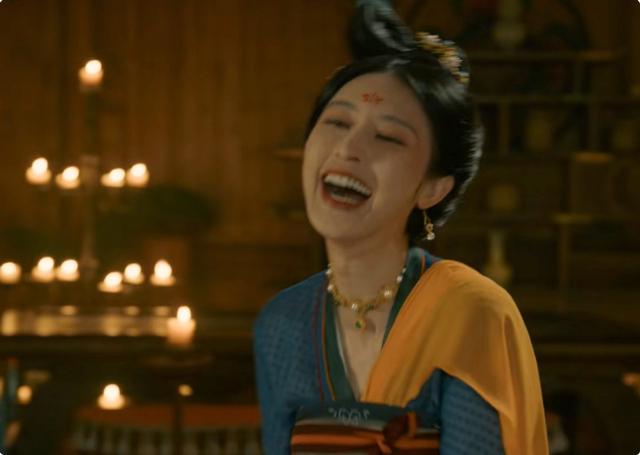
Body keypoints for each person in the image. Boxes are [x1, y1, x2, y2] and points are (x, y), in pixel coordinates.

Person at [254, 2, 548, 454]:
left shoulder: (471, 314)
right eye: (337, 122)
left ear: (432, 188)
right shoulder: (282, 323)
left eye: (388, 137)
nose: (348, 149)